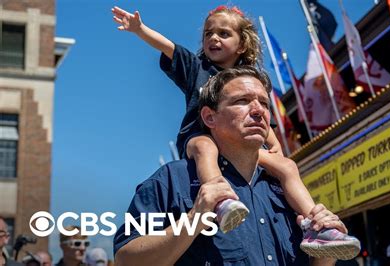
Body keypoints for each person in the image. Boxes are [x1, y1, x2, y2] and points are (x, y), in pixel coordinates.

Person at [111, 4, 360, 258]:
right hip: (198, 138)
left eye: (223, 33)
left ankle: (317, 227)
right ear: (210, 114)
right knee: (205, 147)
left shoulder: (253, 80)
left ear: (242, 45)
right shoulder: (197, 67)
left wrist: (276, 153)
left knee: (288, 167)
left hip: (249, 157)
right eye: (208, 33)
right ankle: (220, 199)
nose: (213, 38)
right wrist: (140, 29)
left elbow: (269, 131)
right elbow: (168, 46)